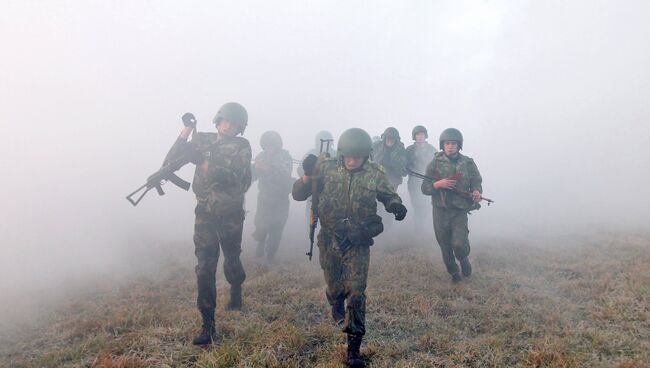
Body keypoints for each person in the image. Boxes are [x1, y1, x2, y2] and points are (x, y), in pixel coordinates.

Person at [292, 128, 407, 368]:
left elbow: (388, 194)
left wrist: (396, 205)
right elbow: (298, 194)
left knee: (356, 292)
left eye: (358, 157)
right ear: (341, 153)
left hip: (358, 239)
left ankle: (353, 349)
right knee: (335, 286)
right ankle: (335, 300)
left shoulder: (375, 172)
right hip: (329, 238)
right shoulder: (326, 167)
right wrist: (306, 174)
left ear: (366, 156)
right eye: (348, 156)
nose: (352, 161)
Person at [164, 102, 252, 345]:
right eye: (225, 120)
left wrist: (204, 163)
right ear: (218, 120)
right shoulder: (201, 140)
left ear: (240, 127)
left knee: (232, 259)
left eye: (234, 123)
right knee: (204, 268)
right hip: (205, 214)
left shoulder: (242, 146)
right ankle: (208, 323)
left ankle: (235, 287)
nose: (228, 126)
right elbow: (171, 161)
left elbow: (235, 176)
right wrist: (185, 133)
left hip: (231, 214)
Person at [421, 128, 482, 284]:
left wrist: (476, 191)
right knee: (445, 244)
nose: (450, 146)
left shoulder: (468, 163)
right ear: (443, 145)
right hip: (440, 210)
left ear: (459, 145)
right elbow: (424, 188)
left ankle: (463, 258)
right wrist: (437, 184)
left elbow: (476, 181)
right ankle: (454, 272)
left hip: (459, 210)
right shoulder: (434, 163)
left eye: (454, 143)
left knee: (459, 243)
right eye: (447, 143)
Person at [251, 130, 293, 261]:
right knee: (261, 225)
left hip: (280, 199)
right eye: (267, 146)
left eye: (272, 145)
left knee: (277, 228)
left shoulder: (286, 157)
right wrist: (255, 168)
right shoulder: (260, 156)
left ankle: (270, 256)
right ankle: (261, 242)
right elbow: (252, 176)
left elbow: (285, 178)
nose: (270, 149)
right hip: (264, 197)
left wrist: (269, 170)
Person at [405, 125, 437, 233]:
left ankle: (423, 227)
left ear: (425, 136)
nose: (420, 137)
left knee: (427, 206)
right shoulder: (409, 150)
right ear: (414, 136)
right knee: (417, 205)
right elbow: (404, 164)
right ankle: (418, 229)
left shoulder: (432, 150)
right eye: (418, 134)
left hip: (428, 182)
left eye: (422, 134)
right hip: (414, 182)